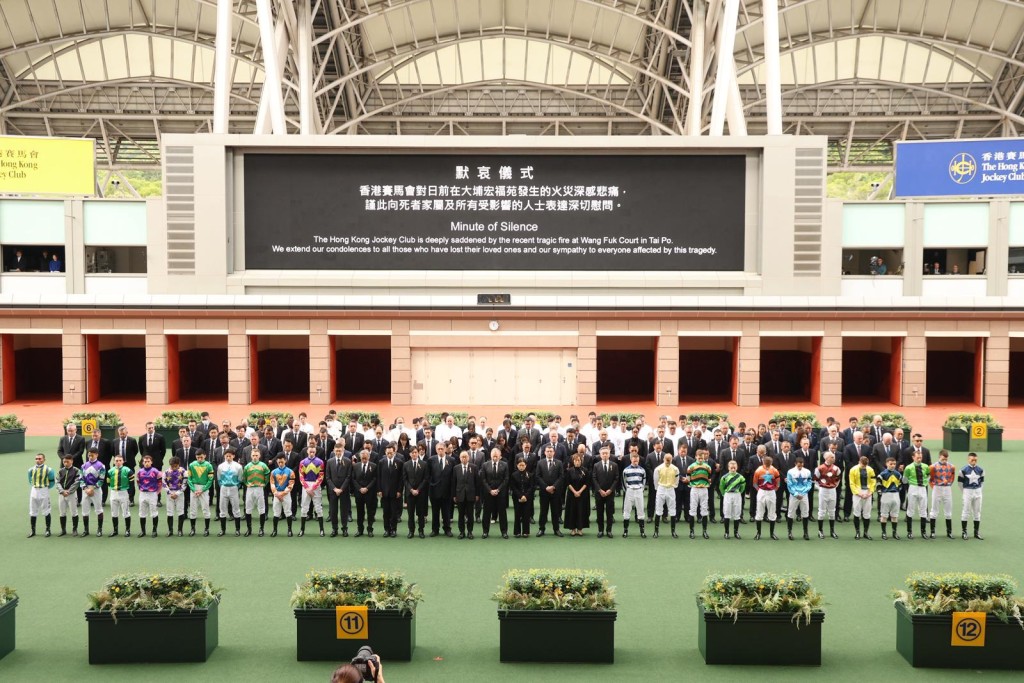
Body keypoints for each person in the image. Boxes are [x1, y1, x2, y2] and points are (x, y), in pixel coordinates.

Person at [480, 448, 509, 539]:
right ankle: (485, 531)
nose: (495, 456)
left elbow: (506, 479)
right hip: (488, 493)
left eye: (497, 455)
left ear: (500, 456)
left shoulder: (505, 465)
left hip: (501, 493)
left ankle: (504, 532)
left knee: (502, 513)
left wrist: (498, 490)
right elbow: (483, 479)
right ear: (491, 455)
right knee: (486, 513)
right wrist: (490, 490)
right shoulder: (485, 465)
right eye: (493, 455)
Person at [535, 446, 565, 537]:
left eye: (551, 451)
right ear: (544, 452)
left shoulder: (559, 463)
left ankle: (556, 529)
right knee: (543, 511)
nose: (549, 453)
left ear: (554, 452)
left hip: (555, 492)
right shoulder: (540, 463)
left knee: (555, 512)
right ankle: (541, 529)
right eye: (547, 451)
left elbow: (561, 477)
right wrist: (546, 487)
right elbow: (538, 476)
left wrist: (553, 487)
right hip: (544, 492)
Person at [902, 448, 930, 540]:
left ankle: (923, 532)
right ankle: (909, 532)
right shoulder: (908, 467)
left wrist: (925, 481)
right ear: (913, 457)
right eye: (917, 457)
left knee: (923, 510)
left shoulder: (926, 466)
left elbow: (929, 475)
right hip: (913, 488)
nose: (919, 459)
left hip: (922, 488)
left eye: (920, 457)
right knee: (910, 510)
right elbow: (904, 480)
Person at [402, 448, 430, 539]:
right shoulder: (406, 464)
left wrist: (418, 490)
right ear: (410, 454)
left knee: (421, 514)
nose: (414, 454)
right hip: (410, 494)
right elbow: (405, 479)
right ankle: (411, 531)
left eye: (416, 452)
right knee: (410, 514)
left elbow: (426, 479)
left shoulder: (424, 464)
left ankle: (421, 530)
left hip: (420, 493)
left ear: (418, 453)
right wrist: (411, 490)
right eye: (412, 453)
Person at [299, 445, 326, 537]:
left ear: (315, 452)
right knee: (304, 508)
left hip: (315, 486)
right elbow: (301, 476)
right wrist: (307, 487)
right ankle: (302, 530)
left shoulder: (320, 462)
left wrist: (313, 487)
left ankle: (322, 530)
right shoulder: (303, 462)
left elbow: (321, 476)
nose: (311, 453)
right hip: (306, 485)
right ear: (307, 451)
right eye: (310, 452)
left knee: (318, 507)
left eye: (313, 452)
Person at [652, 451, 680, 539]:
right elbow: (655, 480)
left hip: (671, 489)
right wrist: (658, 488)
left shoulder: (675, 469)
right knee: (658, 509)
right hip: (661, 488)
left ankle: (673, 531)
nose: (668, 461)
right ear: (663, 459)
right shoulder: (658, 468)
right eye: (666, 460)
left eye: (670, 460)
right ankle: (656, 531)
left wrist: (674, 486)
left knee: (672, 509)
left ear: (672, 459)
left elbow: (677, 480)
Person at [814, 451, 841, 539]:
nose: (834, 458)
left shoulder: (836, 468)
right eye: (832, 457)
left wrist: (834, 487)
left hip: (832, 491)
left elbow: (838, 479)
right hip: (823, 491)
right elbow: (815, 479)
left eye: (833, 457)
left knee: (832, 511)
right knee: (821, 511)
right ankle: (820, 531)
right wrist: (821, 487)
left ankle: (832, 531)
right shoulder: (819, 468)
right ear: (826, 458)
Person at [243, 450, 271, 537]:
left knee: (261, 509)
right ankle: (249, 529)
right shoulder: (247, 466)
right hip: (250, 489)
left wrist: (264, 484)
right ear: (251, 456)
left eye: (256, 455)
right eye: (253, 455)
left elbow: (267, 475)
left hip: (259, 489)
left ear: (259, 456)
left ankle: (261, 529)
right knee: (248, 508)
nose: (255, 457)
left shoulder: (263, 465)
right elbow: (244, 477)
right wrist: (247, 484)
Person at [187, 449, 215, 537]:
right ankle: (192, 529)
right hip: (194, 489)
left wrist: (202, 490)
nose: (199, 459)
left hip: (204, 489)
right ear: (196, 457)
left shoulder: (209, 466)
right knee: (193, 509)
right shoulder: (191, 465)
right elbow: (189, 478)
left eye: (201, 457)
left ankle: (206, 529)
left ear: (205, 456)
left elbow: (210, 479)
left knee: (206, 509)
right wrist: (193, 489)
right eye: (198, 457)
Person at [592, 446, 618, 538]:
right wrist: (599, 490)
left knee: (609, 513)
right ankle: (600, 530)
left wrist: (610, 490)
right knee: (600, 512)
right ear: (600, 455)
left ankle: (609, 530)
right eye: (603, 453)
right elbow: (594, 478)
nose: (605, 455)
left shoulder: (614, 465)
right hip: (599, 493)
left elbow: (616, 479)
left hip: (610, 493)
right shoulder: (596, 465)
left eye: (606, 453)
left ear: (609, 454)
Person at [929, 449, 955, 539]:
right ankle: (932, 532)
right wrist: (935, 487)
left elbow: (952, 477)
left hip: (947, 489)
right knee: (934, 510)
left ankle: (949, 532)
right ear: (939, 457)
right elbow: (930, 479)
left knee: (948, 510)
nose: (944, 461)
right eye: (943, 459)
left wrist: (948, 484)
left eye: (946, 459)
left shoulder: (951, 466)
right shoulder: (933, 466)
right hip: (937, 488)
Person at [216, 449, 243, 537]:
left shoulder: (238, 466)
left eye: (230, 456)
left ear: (233, 456)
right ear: (224, 456)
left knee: (236, 509)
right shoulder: (220, 466)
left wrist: (235, 486)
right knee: (222, 509)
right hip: (224, 488)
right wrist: (223, 485)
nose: (228, 458)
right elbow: (219, 478)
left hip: (234, 488)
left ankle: (237, 530)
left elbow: (240, 478)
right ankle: (223, 530)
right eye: (227, 456)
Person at [377, 446, 403, 538]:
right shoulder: (381, 462)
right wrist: (379, 490)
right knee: (386, 512)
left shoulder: (399, 462)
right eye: (388, 453)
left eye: (391, 453)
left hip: (395, 492)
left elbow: (401, 478)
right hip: (384, 492)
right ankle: (386, 529)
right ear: (385, 452)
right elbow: (379, 477)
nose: (389, 454)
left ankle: (393, 530)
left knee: (394, 513)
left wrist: (399, 490)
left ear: (394, 452)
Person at [452, 450, 479, 539]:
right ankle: (462, 532)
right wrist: (454, 495)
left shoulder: (474, 467)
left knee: (470, 515)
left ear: (468, 458)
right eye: (462, 457)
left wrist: (477, 494)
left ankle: (470, 532)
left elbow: (477, 482)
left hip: (471, 495)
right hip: (460, 495)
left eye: (465, 457)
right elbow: (453, 483)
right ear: (459, 458)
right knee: (460, 515)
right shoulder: (456, 468)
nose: (464, 459)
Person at [686, 450, 713, 540]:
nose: (701, 459)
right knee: (693, 509)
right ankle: (691, 531)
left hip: (704, 490)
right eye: (699, 457)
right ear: (696, 456)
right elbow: (688, 478)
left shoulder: (708, 467)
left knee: (704, 509)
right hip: (694, 489)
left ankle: (704, 531)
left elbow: (709, 478)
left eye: (702, 457)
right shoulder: (691, 467)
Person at [27, 453, 55, 537]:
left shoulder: (49, 470)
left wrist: (45, 488)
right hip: (34, 490)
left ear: (44, 459)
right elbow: (30, 480)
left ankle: (47, 529)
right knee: (33, 510)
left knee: (46, 510)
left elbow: (52, 482)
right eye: (36, 458)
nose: (38, 460)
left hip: (44, 490)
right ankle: (33, 530)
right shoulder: (30, 470)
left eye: (40, 459)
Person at [753, 455, 780, 541]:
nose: (768, 465)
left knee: (772, 513)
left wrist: (773, 490)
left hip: (771, 492)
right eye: (766, 463)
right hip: (761, 491)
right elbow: (754, 483)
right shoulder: (759, 470)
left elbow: (778, 482)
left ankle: (772, 534)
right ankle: (758, 533)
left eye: (769, 463)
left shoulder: (774, 470)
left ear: (771, 463)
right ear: (763, 462)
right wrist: (760, 490)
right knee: (759, 512)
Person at [80, 448, 106, 537]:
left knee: (98, 510)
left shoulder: (101, 466)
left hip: (96, 490)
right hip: (85, 490)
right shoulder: (83, 466)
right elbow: (81, 479)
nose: (90, 457)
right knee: (85, 510)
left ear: (97, 455)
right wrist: (85, 489)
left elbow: (101, 480)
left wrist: (93, 488)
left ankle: (99, 529)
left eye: (92, 455)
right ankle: (86, 530)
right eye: (89, 455)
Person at [849, 455, 876, 540]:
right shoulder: (853, 469)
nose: (864, 466)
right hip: (858, 492)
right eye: (862, 465)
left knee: (867, 513)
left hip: (867, 492)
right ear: (859, 462)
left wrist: (870, 492)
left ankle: (865, 532)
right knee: (856, 512)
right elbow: (852, 483)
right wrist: (858, 493)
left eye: (865, 465)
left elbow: (873, 481)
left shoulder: (870, 470)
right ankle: (857, 532)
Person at [562, 452, 590, 536]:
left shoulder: (585, 470)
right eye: (576, 461)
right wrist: (575, 492)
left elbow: (586, 483)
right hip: (572, 494)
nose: (577, 462)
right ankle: (573, 529)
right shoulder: (569, 471)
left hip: (582, 494)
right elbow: (568, 483)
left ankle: (580, 529)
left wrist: (579, 492)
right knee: (572, 511)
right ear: (573, 461)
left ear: (581, 461)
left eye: (579, 460)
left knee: (581, 511)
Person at [785, 456, 813, 541]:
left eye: (801, 465)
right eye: (798, 465)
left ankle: (805, 533)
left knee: (805, 513)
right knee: (791, 513)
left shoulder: (807, 472)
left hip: (804, 495)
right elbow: (789, 484)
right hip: (794, 495)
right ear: (795, 464)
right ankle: (789, 532)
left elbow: (809, 483)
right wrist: (796, 494)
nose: (800, 467)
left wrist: (803, 493)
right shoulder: (790, 472)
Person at [106, 454, 134, 537]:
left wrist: (129, 493)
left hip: (123, 493)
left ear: (123, 461)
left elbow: (132, 483)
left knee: (126, 512)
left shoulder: (128, 470)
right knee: (114, 512)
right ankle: (115, 530)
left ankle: (127, 530)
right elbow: (108, 482)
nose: (118, 462)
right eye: (116, 460)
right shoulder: (110, 471)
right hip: (113, 493)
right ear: (114, 461)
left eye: (120, 460)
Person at [135, 454, 163, 537]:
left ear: (151, 462)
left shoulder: (155, 471)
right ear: (143, 463)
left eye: (148, 461)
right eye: (145, 461)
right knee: (142, 513)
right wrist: (141, 489)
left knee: (154, 512)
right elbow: (138, 482)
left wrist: (157, 492)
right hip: (143, 494)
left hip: (152, 494)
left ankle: (154, 531)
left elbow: (160, 483)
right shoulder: (140, 472)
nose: (146, 463)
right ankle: (143, 531)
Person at [959, 452, 984, 540]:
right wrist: (965, 492)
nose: (974, 461)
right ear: (968, 459)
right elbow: (960, 483)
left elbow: (982, 482)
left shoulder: (981, 470)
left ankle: (976, 532)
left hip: (977, 491)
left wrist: (979, 491)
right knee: (966, 511)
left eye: (975, 460)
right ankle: (964, 532)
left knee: (977, 512)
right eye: (972, 459)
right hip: (967, 491)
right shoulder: (963, 470)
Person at [621, 452, 647, 538]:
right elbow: (623, 482)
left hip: (639, 491)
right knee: (627, 510)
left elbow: (644, 482)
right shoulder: (626, 470)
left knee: (640, 510)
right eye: (634, 459)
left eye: (637, 459)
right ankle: (625, 531)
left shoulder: (642, 470)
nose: (635, 461)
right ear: (631, 459)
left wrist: (640, 489)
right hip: (630, 491)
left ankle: (642, 531)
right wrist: (627, 490)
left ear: (639, 459)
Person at [352, 450, 376, 537]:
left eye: (366, 458)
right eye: (362, 458)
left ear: (369, 457)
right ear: (360, 458)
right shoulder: (356, 466)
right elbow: (353, 479)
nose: (364, 459)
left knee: (370, 512)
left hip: (370, 493)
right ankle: (360, 529)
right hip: (359, 493)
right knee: (360, 512)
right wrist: (359, 488)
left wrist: (367, 488)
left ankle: (370, 529)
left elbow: (374, 479)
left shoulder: (374, 466)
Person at [270, 454, 296, 537]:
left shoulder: (290, 471)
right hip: (277, 494)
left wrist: (283, 493)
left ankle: (289, 530)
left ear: (285, 460)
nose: (280, 464)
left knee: (288, 512)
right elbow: (272, 483)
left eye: (282, 462)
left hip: (286, 494)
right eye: (279, 462)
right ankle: (274, 530)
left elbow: (291, 484)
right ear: (277, 461)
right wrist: (276, 493)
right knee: (276, 512)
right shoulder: (273, 472)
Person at [877, 456, 902, 540]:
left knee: (895, 515)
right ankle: (883, 532)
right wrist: (880, 492)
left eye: (894, 464)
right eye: (891, 464)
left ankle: (894, 532)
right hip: (886, 495)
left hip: (895, 495)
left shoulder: (898, 474)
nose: (893, 465)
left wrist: (898, 490)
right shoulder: (882, 474)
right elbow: (878, 484)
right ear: (886, 464)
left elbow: (901, 484)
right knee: (884, 515)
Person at [718, 459, 744, 540]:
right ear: (728, 468)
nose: (733, 469)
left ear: (737, 467)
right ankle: (726, 532)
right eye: (731, 468)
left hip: (737, 495)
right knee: (727, 513)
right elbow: (721, 487)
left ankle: (736, 532)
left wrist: (738, 492)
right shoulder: (724, 477)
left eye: (734, 468)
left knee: (737, 513)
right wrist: (724, 494)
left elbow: (743, 487)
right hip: (728, 495)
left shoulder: (740, 477)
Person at [56, 454, 81, 537]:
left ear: (72, 461)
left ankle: (74, 529)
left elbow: (77, 482)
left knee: (74, 512)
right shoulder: (60, 471)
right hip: (62, 494)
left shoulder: (76, 470)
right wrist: (62, 491)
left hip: (72, 494)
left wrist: (69, 491)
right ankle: (63, 530)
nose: (65, 463)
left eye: (67, 461)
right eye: (64, 461)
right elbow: (57, 482)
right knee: (62, 512)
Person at [510, 457, 534, 538]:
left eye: (523, 465)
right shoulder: (513, 475)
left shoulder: (530, 475)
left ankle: (526, 531)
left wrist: (525, 496)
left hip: (527, 498)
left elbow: (531, 487)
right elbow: (513, 487)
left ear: (526, 465)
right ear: (517, 465)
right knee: (517, 514)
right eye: (520, 465)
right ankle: (517, 532)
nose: (521, 467)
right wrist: (520, 496)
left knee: (526, 514)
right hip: (517, 498)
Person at [163, 456, 187, 536]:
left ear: (178, 464)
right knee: (169, 512)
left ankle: (180, 530)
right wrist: (170, 493)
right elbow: (164, 483)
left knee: (180, 511)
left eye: (175, 466)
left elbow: (185, 484)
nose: (173, 468)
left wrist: (177, 493)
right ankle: (170, 530)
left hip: (179, 494)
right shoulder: (166, 472)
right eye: (172, 466)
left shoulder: (184, 471)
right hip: (169, 494)